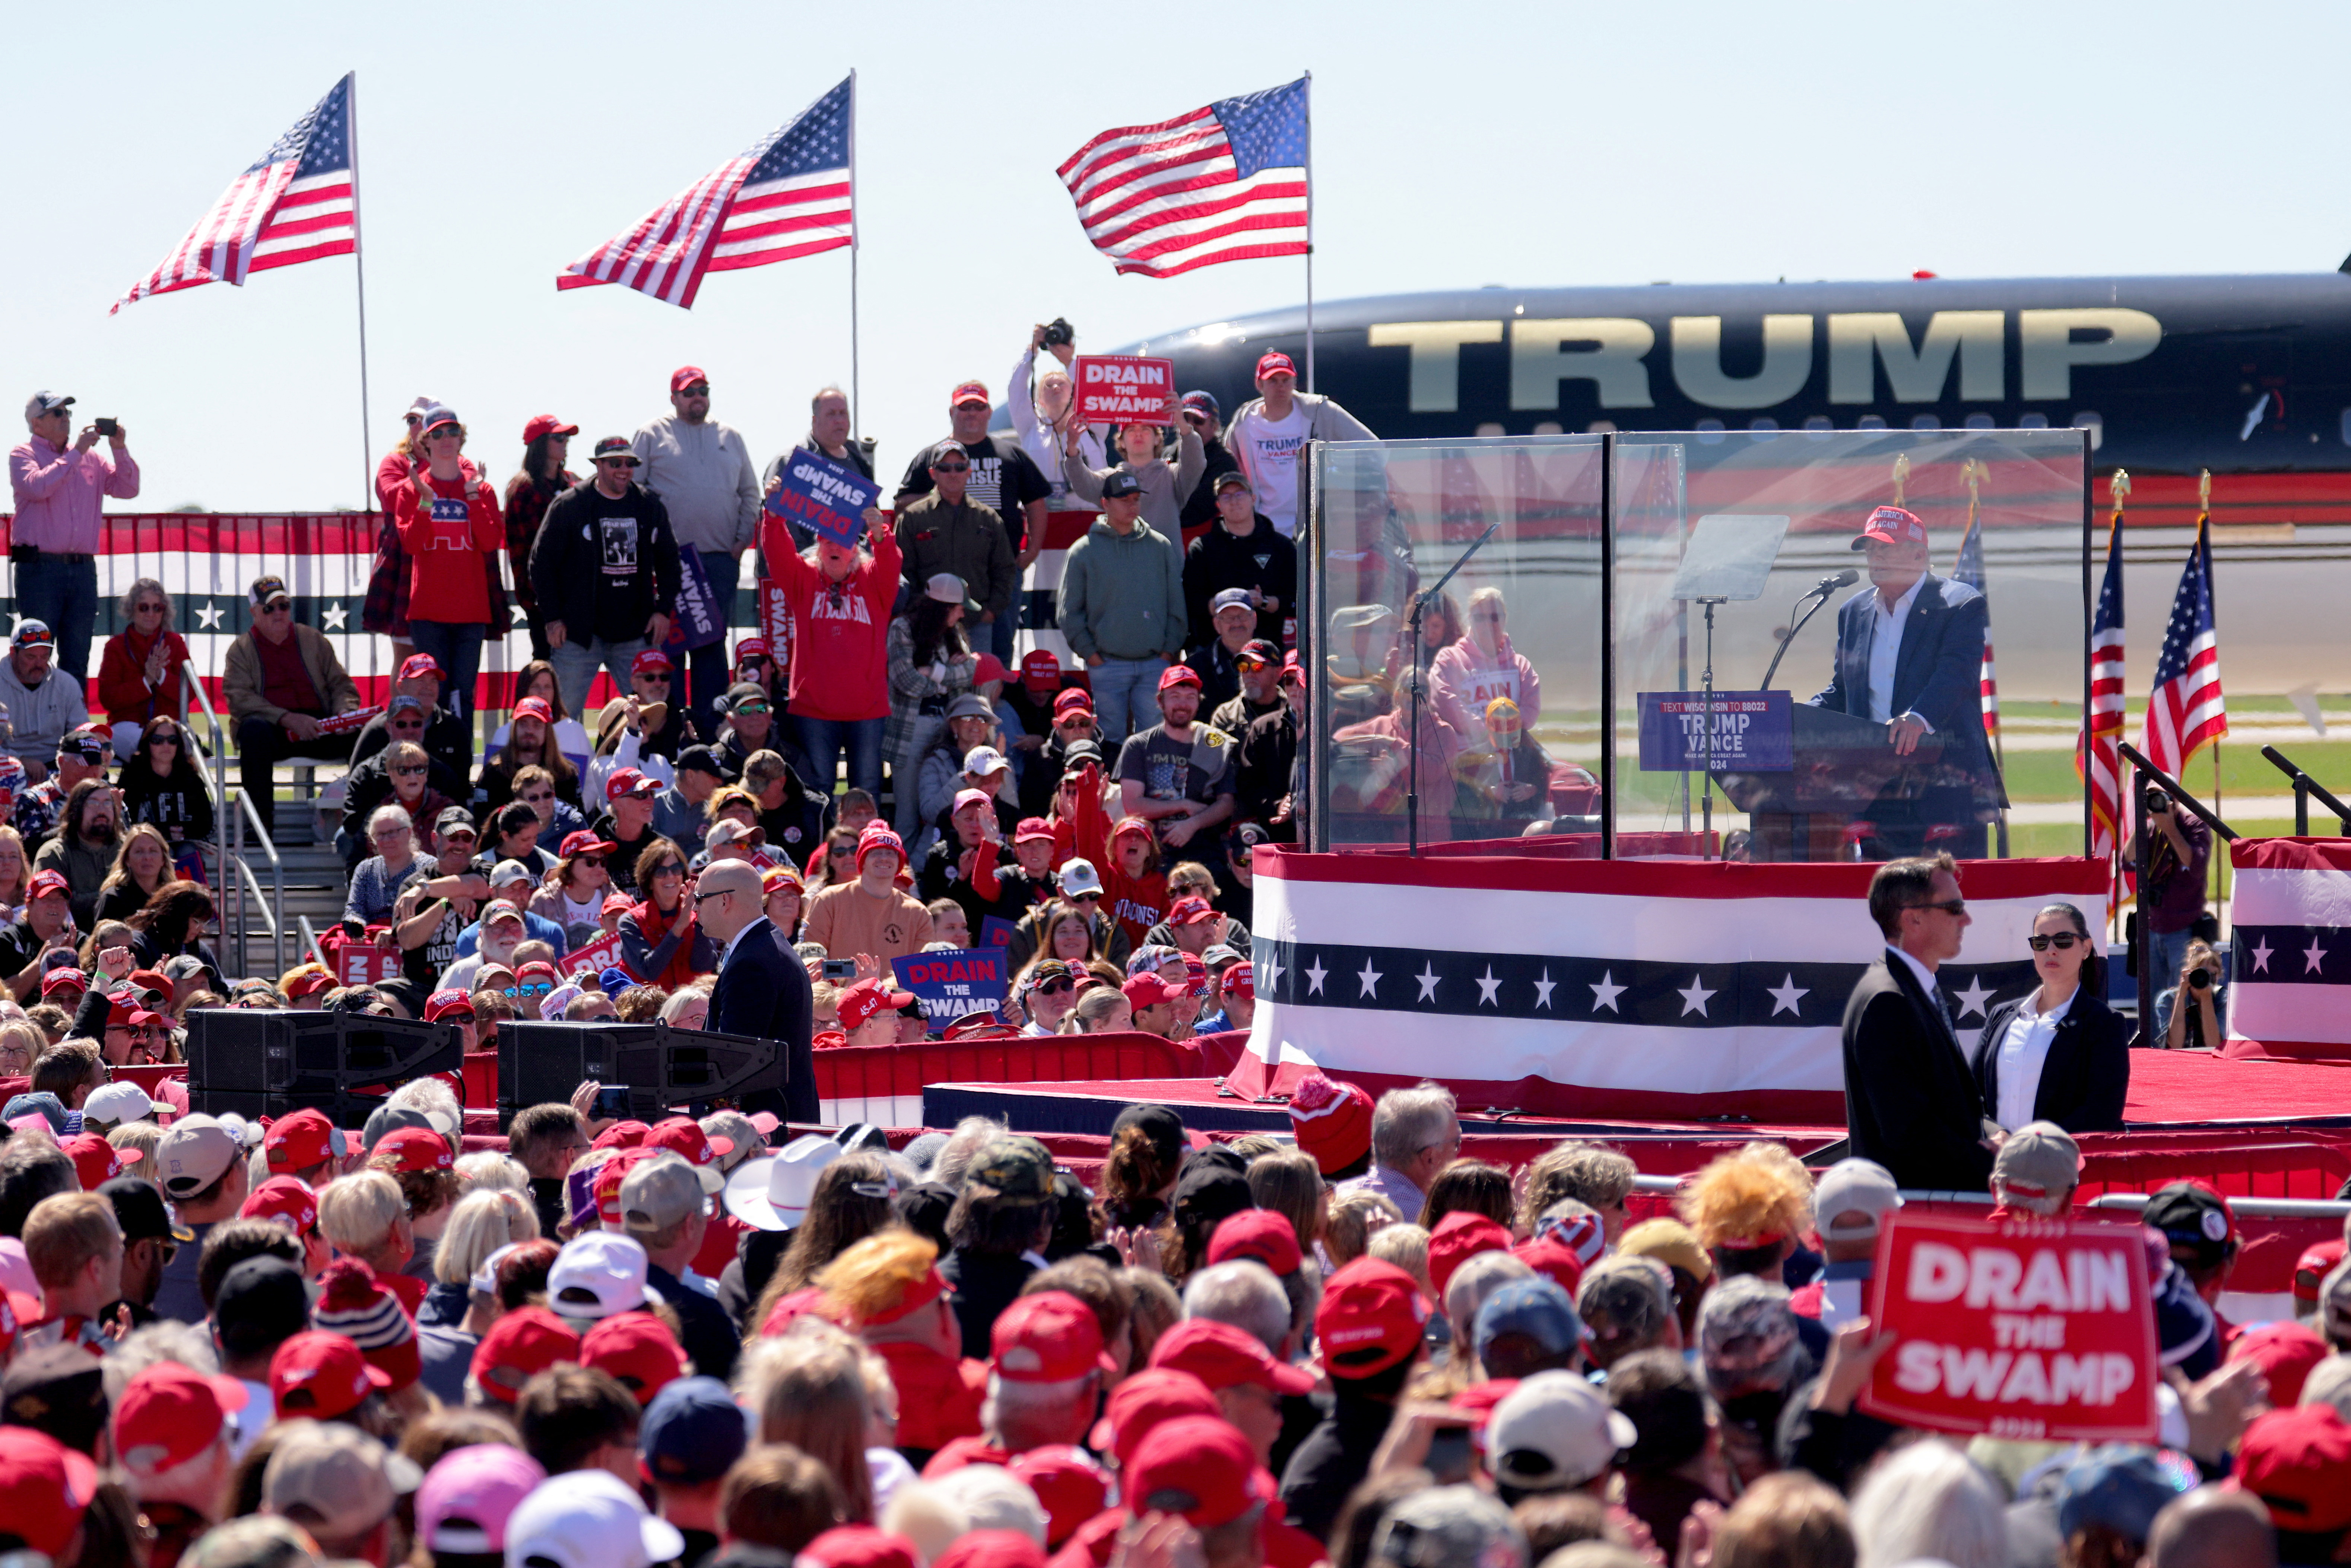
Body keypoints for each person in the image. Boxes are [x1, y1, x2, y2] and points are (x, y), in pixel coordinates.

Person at [1807, 504, 2005, 858]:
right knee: (1885, 899)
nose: (1875, 558)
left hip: (1947, 786)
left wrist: (1919, 718)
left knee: (1950, 896)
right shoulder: (1854, 611)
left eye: (1885, 548)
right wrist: (1794, 716)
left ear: (1919, 556)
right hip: (1876, 789)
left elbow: (1956, 675)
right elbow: (1844, 690)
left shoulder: (1960, 604)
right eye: (1871, 550)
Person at [1842, 853, 1996, 1191]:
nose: (1967, 919)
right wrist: (1998, 1166)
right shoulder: (1888, 1001)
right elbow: (1908, 1131)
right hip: (1916, 1213)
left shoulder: (1911, 989)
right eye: (1955, 908)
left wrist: (1996, 1137)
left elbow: (1944, 1108)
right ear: (1912, 920)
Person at [633, 367, 761, 736]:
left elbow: (750, 494)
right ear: (674, 397)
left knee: (709, 652)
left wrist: (739, 545)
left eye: (703, 391)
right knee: (667, 652)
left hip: (718, 562)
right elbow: (634, 494)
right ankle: (665, 736)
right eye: (689, 392)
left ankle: (709, 739)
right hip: (669, 565)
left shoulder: (731, 437)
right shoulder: (651, 434)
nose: (697, 398)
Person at [894, 383, 1052, 663]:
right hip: (936, 582)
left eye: (978, 407)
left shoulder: (1011, 455)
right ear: (952, 412)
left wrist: (1032, 553)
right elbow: (901, 504)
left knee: (996, 654)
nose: (972, 413)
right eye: (965, 407)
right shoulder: (928, 456)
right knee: (930, 660)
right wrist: (942, 495)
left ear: (989, 412)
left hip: (998, 574)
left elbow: (1037, 504)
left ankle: (992, 704)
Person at [534, 437, 683, 723]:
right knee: (563, 718)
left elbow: (669, 561)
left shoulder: (648, 505)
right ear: (598, 465)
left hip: (636, 632)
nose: (624, 469)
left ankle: (648, 767)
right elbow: (542, 564)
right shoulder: (571, 505)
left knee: (652, 715)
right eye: (615, 463)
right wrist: (552, 617)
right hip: (579, 634)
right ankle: (563, 768)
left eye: (630, 463)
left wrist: (663, 611)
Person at [767, 504, 899, 800]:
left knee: (866, 790)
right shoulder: (803, 580)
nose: (835, 547)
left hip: (867, 711)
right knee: (818, 792)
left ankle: (868, 846)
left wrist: (881, 534)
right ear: (818, 549)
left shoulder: (874, 582)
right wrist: (773, 518)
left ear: (855, 549)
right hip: (814, 711)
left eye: (842, 542)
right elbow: (778, 556)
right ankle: (822, 847)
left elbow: (890, 563)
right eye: (827, 541)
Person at [10, 390, 139, 685]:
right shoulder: (23, 454)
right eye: (57, 413)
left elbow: (128, 489)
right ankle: (33, 728)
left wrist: (119, 449)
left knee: (77, 657)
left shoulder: (90, 457)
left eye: (67, 412)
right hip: (40, 568)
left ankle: (75, 730)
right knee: (35, 654)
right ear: (36, 423)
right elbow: (37, 487)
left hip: (82, 569)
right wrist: (75, 453)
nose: (65, 418)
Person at [393, 405, 509, 724]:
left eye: (453, 431)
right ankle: (430, 767)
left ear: (462, 438)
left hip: (471, 612)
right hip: (428, 613)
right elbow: (411, 545)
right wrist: (427, 501)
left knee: (464, 695)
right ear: (425, 442)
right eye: (438, 433)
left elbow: (489, 543)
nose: (447, 439)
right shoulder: (410, 489)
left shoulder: (482, 489)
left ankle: (459, 769)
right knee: (431, 695)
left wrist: (472, 497)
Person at [1971, 901, 2131, 1132]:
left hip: (2058, 1162)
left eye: (2064, 940)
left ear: (2086, 948)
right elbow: (1970, 1097)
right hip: (1997, 1163)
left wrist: (2035, 1144)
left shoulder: (2104, 1023)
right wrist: (1997, 1137)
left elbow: (2103, 1111)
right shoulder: (2001, 1016)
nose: (2051, 950)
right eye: (2041, 942)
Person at [1057, 471, 1188, 747]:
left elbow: (1177, 605)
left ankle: (1153, 793)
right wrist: (1092, 655)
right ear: (1105, 503)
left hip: (1155, 663)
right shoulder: (1083, 551)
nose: (1132, 505)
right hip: (1107, 664)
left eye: (1136, 499)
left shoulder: (1160, 546)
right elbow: (1069, 612)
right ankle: (1111, 791)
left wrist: (1167, 652)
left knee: (1154, 740)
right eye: (1124, 500)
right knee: (1111, 739)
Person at [225, 574, 362, 837]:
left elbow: (341, 684)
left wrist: (345, 714)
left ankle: (364, 824)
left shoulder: (313, 639)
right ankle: (260, 830)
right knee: (253, 732)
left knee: (368, 734)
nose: (278, 613)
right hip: (272, 729)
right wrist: (286, 718)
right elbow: (240, 699)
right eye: (269, 608)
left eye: (283, 606)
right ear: (254, 612)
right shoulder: (241, 650)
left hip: (318, 725)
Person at [697, 861, 816, 1123]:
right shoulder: (765, 947)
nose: (694, 908)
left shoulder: (752, 963)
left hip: (763, 1133)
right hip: (777, 1125)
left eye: (699, 898)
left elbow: (731, 1062)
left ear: (725, 901)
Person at [1221, 351, 1377, 539]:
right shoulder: (1242, 425)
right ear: (1259, 385)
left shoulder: (1320, 412)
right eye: (1273, 381)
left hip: (1312, 529)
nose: (1281, 387)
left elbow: (1371, 446)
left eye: (1286, 380)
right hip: (1261, 529)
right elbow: (1226, 475)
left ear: (1295, 383)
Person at [895, 438, 1021, 670]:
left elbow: (1005, 570)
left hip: (977, 625)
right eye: (945, 468)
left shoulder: (989, 519)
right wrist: (917, 614)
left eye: (960, 467)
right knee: (931, 687)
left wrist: (991, 612)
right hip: (927, 628)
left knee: (978, 689)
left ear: (969, 473)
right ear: (933, 473)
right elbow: (902, 573)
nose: (953, 473)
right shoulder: (913, 518)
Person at [886, 575, 980, 837]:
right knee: (908, 815)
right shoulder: (901, 629)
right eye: (960, 607)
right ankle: (904, 876)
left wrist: (935, 672)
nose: (962, 614)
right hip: (911, 730)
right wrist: (947, 678)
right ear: (943, 607)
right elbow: (907, 681)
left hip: (947, 730)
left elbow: (971, 670)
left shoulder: (952, 633)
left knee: (944, 808)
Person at [1060, 392, 1204, 552]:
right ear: (1121, 442)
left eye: (1146, 429)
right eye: (1131, 430)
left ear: (1158, 439)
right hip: (1122, 569)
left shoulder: (1172, 476)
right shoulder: (1111, 479)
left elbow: (1196, 464)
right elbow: (1084, 486)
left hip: (1164, 570)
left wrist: (1182, 424)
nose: (1138, 434)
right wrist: (1072, 448)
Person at [1117, 666, 1235, 853]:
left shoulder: (1215, 746)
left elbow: (1227, 803)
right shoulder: (1138, 745)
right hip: (1152, 852)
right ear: (1160, 701)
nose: (1183, 704)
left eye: (1190, 697)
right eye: (1175, 697)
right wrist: (1183, 805)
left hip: (1205, 849)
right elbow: (1133, 806)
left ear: (1199, 702)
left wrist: (1193, 824)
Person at [505, 413, 582, 661]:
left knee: (575, 661)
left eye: (566, 437)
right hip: (541, 596)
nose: (565, 442)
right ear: (540, 444)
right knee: (546, 661)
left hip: (574, 593)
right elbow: (534, 550)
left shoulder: (573, 483)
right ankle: (538, 702)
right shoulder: (522, 489)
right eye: (558, 437)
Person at [762, 386, 877, 551]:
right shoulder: (791, 462)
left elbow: (868, 523)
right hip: (806, 568)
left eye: (843, 413)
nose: (839, 420)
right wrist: (805, 565)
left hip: (852, 568)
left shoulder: (859, 461)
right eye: (831, 414)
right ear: (815, 420)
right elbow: (782, 525)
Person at [1430, 587, 1543, 752]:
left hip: (1514, 752)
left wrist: (1506, 733)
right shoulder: (1450, 659)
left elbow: (1531, 708)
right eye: (1480, 618)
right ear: (1470, 620)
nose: (1488, 624)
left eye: (1495, 617)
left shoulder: (1520, 665)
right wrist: (1488, 731)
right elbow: (1444, 702)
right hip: (1467, 757)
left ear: (1505, 620)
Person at [803, 826, 933, 963]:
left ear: (899, 862)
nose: (884, 858)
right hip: (840, 985)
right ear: (862, 860)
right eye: (875, 853)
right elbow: (812, 963)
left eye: (891, 853)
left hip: (894, 986)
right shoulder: (828, 901)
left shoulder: (919, 914)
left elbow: (921, 971)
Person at [98, 577, 193, 760]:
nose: (151, 613)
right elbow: (108, 698)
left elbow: (189, 694)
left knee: (171, 742)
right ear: (132, 609)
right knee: (152, 745)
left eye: (157, 608)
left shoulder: (175, 643)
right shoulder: (115, 647)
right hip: (128, 725)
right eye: (144, 607)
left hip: (170, 723)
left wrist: (161, 676)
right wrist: (146, 681)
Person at [1338, 1084, 1460, 1225]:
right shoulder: (1428, 1222)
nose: (1459, 1151)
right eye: (1456, 1143)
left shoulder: (1333, 1200)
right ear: (1430, 1158)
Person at [347, 654, 473, 785]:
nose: (428, 687)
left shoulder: (454, 728)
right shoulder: (377, 728)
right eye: (421, 681)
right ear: (401, 686)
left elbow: (462, 784)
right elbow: (357, 782)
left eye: (433, 681)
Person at [620, 839, 717, 991]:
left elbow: (703, 966)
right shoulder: (631, 921)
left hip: (693, 1008)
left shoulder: (699, 913)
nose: (670, 876)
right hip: (651, 1010)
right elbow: (649, 971)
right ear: (649, 881)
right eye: (661, 872)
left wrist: (699, 921)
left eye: (676, 869)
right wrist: (680, 926)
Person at [0, 620, 89, 777]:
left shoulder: (66, 684)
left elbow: (81, 733)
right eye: (31, 657)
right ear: (13, 654)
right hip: (6, 764)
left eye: (45, 656)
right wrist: (20, 760)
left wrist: (67, 761)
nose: (39, 664)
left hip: (59, 764)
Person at [117, 716, 214, 848]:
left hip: (185, 843)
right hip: (143, 845)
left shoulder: (191, 778)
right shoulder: (132, 778)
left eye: (172, 740)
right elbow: (125, 823)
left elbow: (205, 823)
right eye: (158, 740)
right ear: (147, 743)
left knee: (187, 851)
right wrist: (163, 833)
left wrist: (183, 834)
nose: (166, 745)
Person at [36, 777, 121, 927]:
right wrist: (117, 897)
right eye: (93, 803)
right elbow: (56, 906)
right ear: (76, 809)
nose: (102, 810)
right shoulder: (54, 854)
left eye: (108, 803)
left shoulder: (127, 849)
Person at [1176, 390, 1243, 537]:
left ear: (1214, 426)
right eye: (1186, 418)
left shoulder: (1224, 462)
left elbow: (1196, 508)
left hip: (1206, 542)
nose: (1190, 425)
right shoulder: (1168, 454)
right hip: (1172, 538)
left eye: (1198, 420)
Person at [2163, 937, 2228, 1051]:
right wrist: (2181, 996)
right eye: (2201, 973)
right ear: (2190, 973)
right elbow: (2175, 1046)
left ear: (2219, 975)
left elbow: (2214, 1045)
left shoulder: (2224, 999)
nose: (2205, 979)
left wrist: (2206, 998)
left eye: (2212, 975)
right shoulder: (2169, 999)